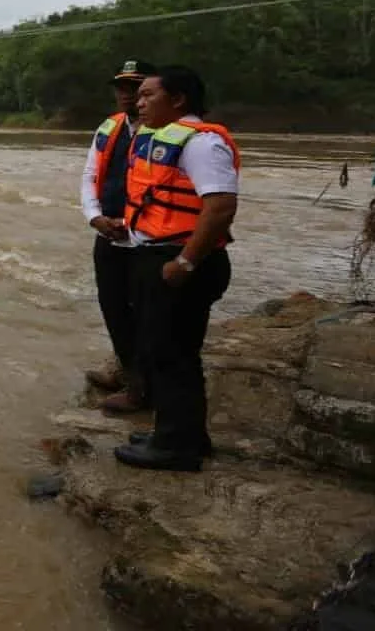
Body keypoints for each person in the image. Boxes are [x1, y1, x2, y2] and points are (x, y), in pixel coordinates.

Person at [113, 66, 239, 473]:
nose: (139, 102)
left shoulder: (202, 144)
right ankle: (182, 434)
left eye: (149, 95)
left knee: (171, 354)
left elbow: (220, 206)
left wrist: (185, 261)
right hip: (159, 256)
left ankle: (174, 448)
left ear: (179, 99)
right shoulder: (169, 139)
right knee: (169, 351)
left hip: (180, 263)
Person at [80, 60, 156, 415]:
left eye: (136, 87)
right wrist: (94, 217)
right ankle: (129, 374)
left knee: (148, 313)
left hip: (151, 242)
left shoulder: (171, 134)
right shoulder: (110, 128)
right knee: (113, 308)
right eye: (122, 88)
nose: (127, 95)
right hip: (109, 235)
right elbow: (90, 174)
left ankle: (145, 388)